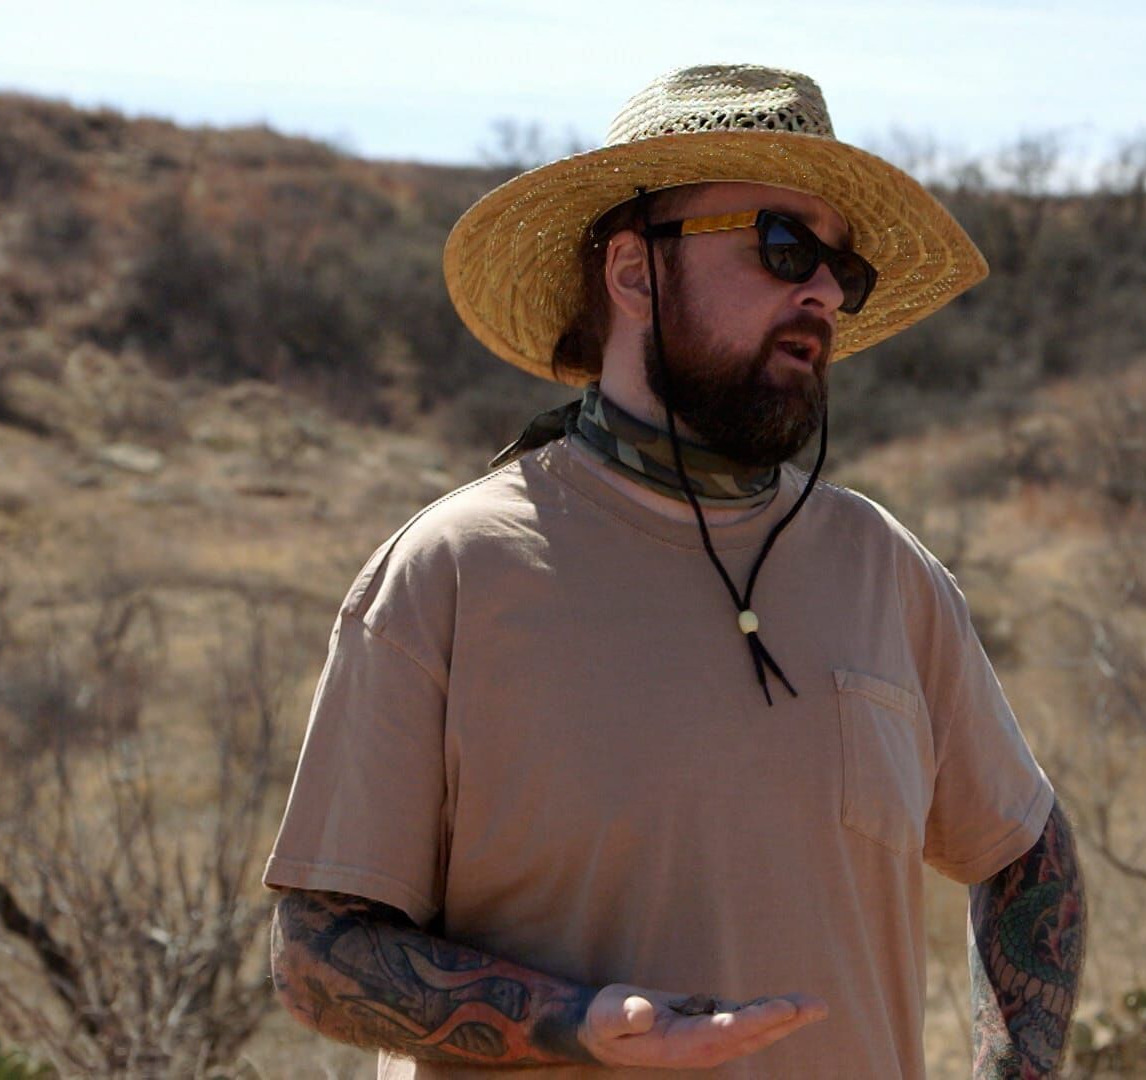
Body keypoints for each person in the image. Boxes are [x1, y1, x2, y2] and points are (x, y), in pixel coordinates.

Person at [263, 64, 1085, 1078]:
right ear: (634, 271)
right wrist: (574, 1020)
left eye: (842, 269)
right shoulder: (455, 572)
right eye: (785, 246)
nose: (825, 293)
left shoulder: (886, 570)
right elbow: (317, 956)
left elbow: (1027, 853)